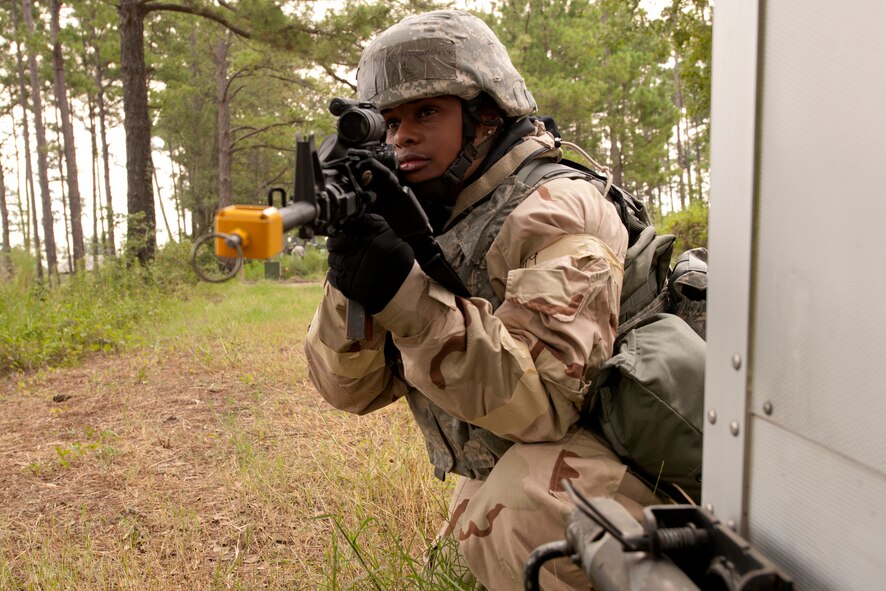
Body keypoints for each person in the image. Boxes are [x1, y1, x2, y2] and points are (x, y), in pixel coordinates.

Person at [304, 9, 665, 590]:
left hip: (657, 466)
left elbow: (545, 401)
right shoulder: (435, 212)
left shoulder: (555, 206)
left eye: (426, 112)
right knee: (462, 552)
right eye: (389, 123)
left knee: (516, 526)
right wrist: (356, 277)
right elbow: (352, 388)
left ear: (486, 114)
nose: (403, 138)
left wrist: (406, 299)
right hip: (567, 451)